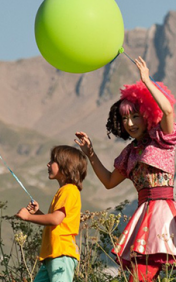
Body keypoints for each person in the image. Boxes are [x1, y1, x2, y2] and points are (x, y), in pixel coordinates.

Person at [75, 57, 176, 282]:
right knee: (139, 276)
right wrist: (90, 153)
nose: (130, 123)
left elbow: (168, 112)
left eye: (135, 116)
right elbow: (109, 182)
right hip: (144, 217)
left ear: (148, 114)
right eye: (125, 118)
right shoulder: (129, 153)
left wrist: (147, 82)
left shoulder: (161, 138)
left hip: (164, 213)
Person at [16, 145, 87, 282]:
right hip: (53, 255)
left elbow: (55, 219)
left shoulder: (69, 191)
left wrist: (28, 217)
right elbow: (57, 222)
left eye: (53, 161)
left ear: (66, 166)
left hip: (62, 254)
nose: (48, 164)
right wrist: (37, 213)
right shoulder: (65, 191)